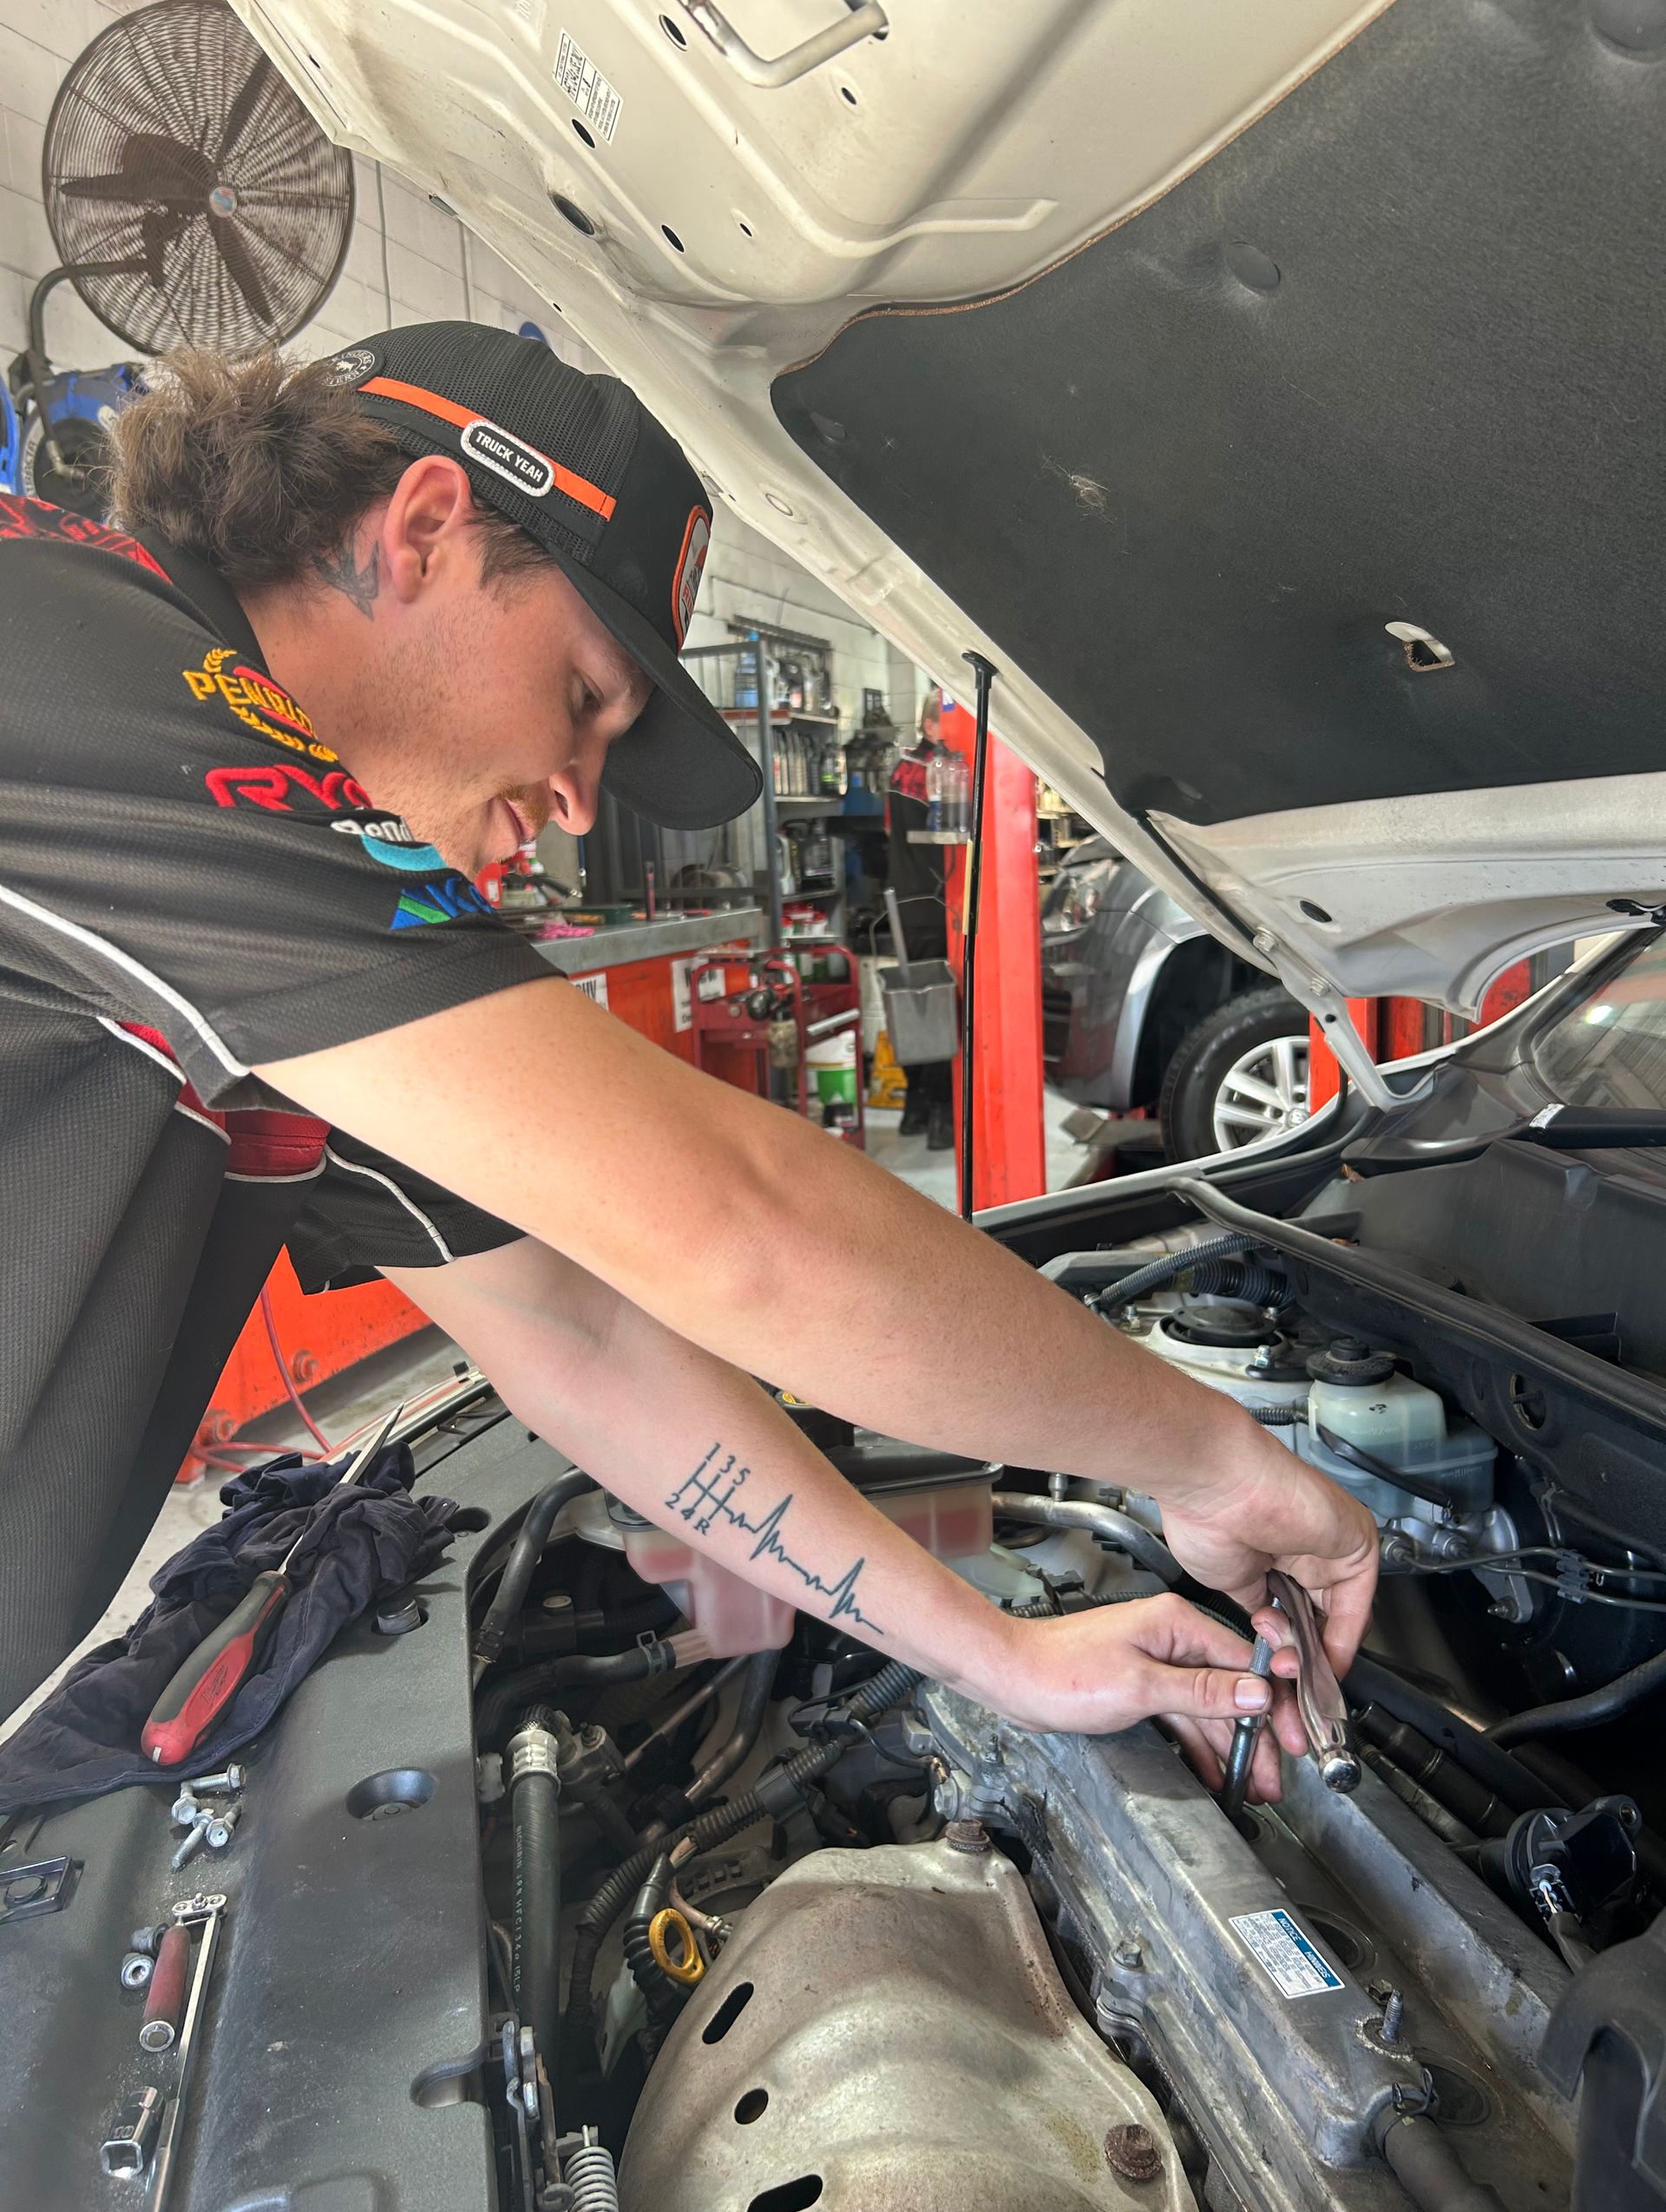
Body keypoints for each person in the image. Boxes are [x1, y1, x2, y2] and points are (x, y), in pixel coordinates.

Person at [0, 324, 1376, 1796]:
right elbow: (742, 1228)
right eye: (586, 697)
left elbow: (581, 1331)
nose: (583, 807)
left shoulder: (272, 959)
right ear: (420, 535)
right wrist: (1218, 1463)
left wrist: (1006, 1654)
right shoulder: (70, 654)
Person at [884, 691, 955, 1149]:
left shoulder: (900, 771)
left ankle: (914, 1109)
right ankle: (942, 1117)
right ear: (930, 727)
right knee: (939, 1008)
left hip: (904, 909)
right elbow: (944, 842)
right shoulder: (935, 772)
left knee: (910, 1003)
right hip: (936, 906)